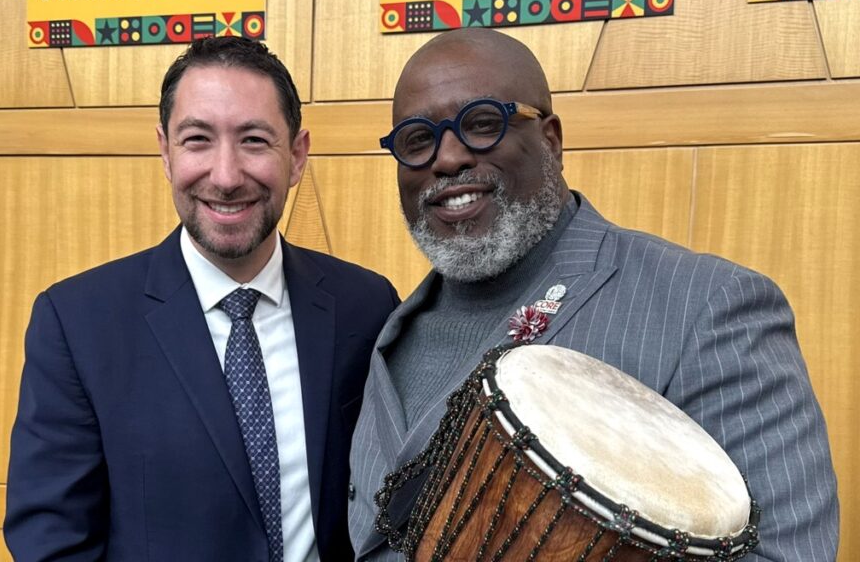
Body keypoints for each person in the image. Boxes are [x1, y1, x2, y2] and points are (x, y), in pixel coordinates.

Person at [347, 29, 838, 561]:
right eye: (417, 139)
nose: (446, 159)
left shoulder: (709, 306)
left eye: (482, 124)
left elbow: (784, 551)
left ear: (551, 139)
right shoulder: (391, 325)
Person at [4, 36, 399, 561]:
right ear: (166, 152)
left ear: (297, 156)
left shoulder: (366, 305)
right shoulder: (77, 324)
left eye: (255, 140)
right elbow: (51, 543)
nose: (226, 176)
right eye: (197, 140)